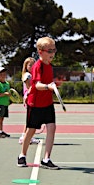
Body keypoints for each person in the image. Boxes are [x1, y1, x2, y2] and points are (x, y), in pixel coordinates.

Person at [17, 37, 59, 169]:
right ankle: (22, 155)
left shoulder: (50, 67)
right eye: (50, 50)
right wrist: (48, 87)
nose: (52, 53)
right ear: (40, 52)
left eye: (54, 50)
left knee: (51, 128)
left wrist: (52, 86)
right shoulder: (37, 67)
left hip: (47, 104)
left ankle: (46, 159)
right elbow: (37, 85)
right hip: (35, 104)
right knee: (31, 131)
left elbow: (47, 83)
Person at [19, 57, 45, 145]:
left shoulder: (33, 75)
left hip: (33, 98)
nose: (32, 66)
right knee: (30, 121)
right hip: (29, 98)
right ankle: (23, 137)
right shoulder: (27, 75)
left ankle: (29, 137)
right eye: (30, 65)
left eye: (33, 64)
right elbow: (29, 87)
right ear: (26, 66)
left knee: (30, 120)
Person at [0, 67, 11, 138]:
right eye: (1, 74)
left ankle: (1, 131)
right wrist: (5, 94)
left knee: (2, 118)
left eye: (4, 74)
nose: (3, 76)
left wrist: (9, 99)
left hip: (5, 104)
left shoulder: (7, 84)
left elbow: (8, 93)